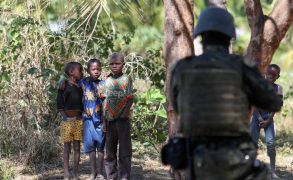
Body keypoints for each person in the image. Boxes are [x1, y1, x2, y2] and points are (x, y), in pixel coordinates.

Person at [161, 7, 283, 180]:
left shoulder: (181, 69)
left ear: (201, 37)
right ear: (229, 38)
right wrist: (256, 80)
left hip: (196, 160)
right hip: (237, 161)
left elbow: (178, 107)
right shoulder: (242, 67)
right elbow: (274, 104)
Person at [103, 52, 134, 180]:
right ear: (109, 65)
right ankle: (111, 177)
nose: (114, 66)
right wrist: (104, 120)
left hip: (123, 121)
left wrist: (125, 113)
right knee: (109, 152)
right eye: (112, 64)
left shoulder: (126, 79)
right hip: (109, 120)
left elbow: (130, 98)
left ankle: (124, 177)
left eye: (118, 63)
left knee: (125, 152)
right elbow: (104, 101)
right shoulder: (107, 80)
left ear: (123, 64)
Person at [250, 64, 283, 179]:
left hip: (269, 116)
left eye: (274, 74)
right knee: (252, 142)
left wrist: (269, 119)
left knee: (270, 143)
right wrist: (259, 118)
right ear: (265, 73)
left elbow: (277, 105)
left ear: (278, 76)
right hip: (256, 116)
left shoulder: (278, 88)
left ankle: (273, 171)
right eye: (269, 73)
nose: (271, 76)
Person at [57, 62, 84, 180]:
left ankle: (75, 173)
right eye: (80, 70)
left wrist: (81, 115)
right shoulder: (63, 85)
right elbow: (59, 103)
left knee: (77, 147)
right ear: (72, 72)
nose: (82, 73)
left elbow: (82, 103)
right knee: (67, 147)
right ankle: (66, 173)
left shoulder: (80, 86)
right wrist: (64, 116)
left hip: (78, 120)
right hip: (67, 120)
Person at [80, 59, 106, 180]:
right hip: (87, 120)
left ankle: (100, 172)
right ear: (88, 70)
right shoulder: (83, 83)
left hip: (101, 120)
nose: (96, 71)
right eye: (93, 69)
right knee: (90, 147)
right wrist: (60, 81)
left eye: (99, 69)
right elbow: (68, 81)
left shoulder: (104, 84)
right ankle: (92, 172)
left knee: (100, 147)